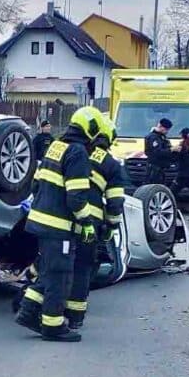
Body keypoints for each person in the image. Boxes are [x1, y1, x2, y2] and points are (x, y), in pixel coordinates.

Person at [14, 106, 98, 343]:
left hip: (40, 223)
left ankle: (28, 312)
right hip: (59, 227)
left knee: (49, 271)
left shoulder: (56, 146)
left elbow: (36, 185)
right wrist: (88, 223)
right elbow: (76, 197)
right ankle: (53, 326)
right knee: (59, 276)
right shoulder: (78, 152)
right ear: (90, 130)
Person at [64, 113, 126, 331]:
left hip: (63, 218)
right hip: (91, 223)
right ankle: (75, 316)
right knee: (82, 268)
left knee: (53, 264)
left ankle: (36, 303)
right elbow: (115, 202)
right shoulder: (111, 163)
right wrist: (111, 227)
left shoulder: (72, 150)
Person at [144, 118, 174, 183]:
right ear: (160, 126)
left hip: (161, 167)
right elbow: (157, 152)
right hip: (154, 168)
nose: (167, 132)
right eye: (166, 129)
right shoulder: (153, 137)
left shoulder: (162, 137)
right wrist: (170, 150)